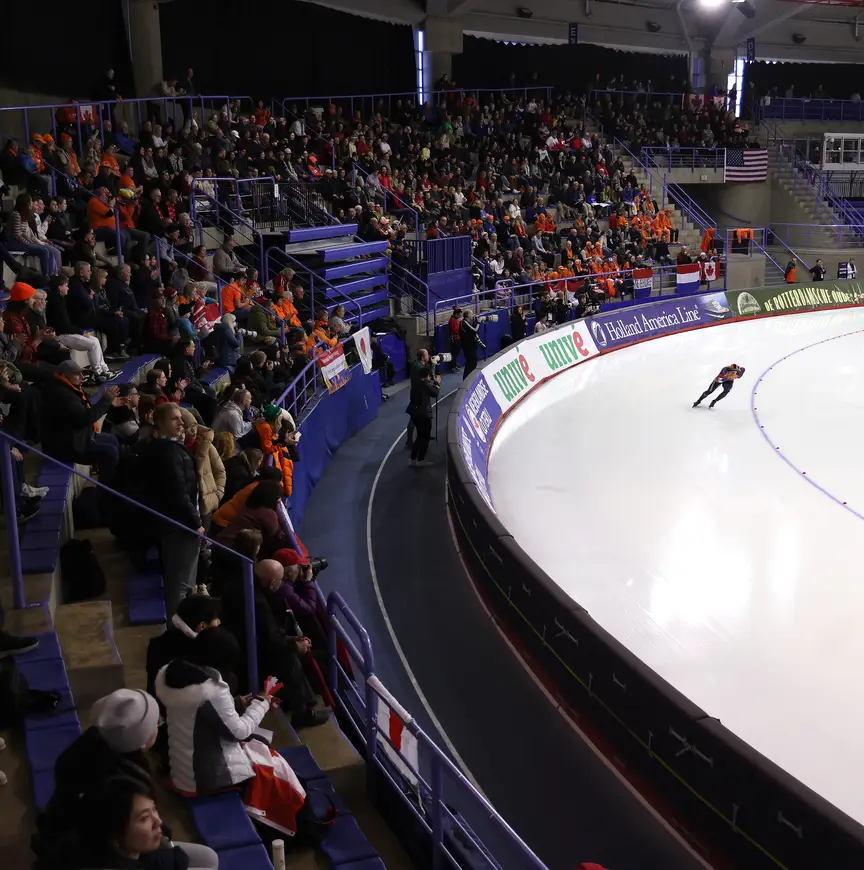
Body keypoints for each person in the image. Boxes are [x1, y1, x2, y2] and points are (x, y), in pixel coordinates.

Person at [32, 688, 219, 870]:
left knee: (207, 857)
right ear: (142, 741)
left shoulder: (94, 748)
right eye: (155, 723)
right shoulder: (118, 785)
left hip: (112, 848)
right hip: (116, 856)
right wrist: (165, 851)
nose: (158, 821)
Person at [135, 403, 204, 618]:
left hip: (176, 525)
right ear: (161, 423)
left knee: (184, 584)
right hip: (180, 527)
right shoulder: (169, 453)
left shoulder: (163, 448)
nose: (181, 423)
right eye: (175, 419)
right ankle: (178, 634)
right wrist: (196, 522)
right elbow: (178, 493)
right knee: (180, 585)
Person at [40, 360, 121, 482]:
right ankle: (107, 490)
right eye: (77, 374)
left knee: (112, 440)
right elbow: (85, 418)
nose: (82, 378)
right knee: (110, 452)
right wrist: (105, 401)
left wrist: (108, 405)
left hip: (76, 435)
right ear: (64, 375)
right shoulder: (63, 394)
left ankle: (113, 478)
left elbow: (86, 414)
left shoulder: (68, 388)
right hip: (65, 445)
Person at [45, 274, 116, 383]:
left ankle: (104, 370)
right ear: (60, 287)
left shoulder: (61, 300)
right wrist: (80, 332)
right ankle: (98, 373)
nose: (68, 288)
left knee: (95, 340)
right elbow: (63, 326)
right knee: (92, 344)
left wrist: (79, 331)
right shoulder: (55, 303)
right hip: (61, 335)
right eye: (66, 285)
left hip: (67, 332)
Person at [215, 480, 292, 557]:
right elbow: (273, 532)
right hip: (233, 553)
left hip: (220, 544)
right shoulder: (267, 514)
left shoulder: (249, 505)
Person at [409, 365, 441, 468]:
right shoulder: (424, 384)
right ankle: (421, 459)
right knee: (425, 437)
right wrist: (437, 383)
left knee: (419, 436)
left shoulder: (416, 383)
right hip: (423, 415)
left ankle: (412, 458)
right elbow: (435, 393)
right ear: (427, 376)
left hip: (414, 413)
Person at [459, 309, 481, 380]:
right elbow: (475, 330)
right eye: (471, 314)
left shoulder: (469, 322)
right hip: (468, 347)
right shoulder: (464, 322)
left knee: (472, 362)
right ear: (468, 315)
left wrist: (476, 323)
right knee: (471, 363)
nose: (473, 315)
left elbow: (474, 330)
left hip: (472, 346)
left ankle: (469, 378)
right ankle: (467, 379)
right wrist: (478, 322)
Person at [447, 306, 462, 372]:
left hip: (457, 338)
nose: (460, 316)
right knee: (454, 354)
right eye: (459, 315)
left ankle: (454, 365)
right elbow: (456, 330)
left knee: (455, 353)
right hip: (455, 339)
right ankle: (452, 367)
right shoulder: (453, 320)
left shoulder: (455, 319)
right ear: (456, 314)